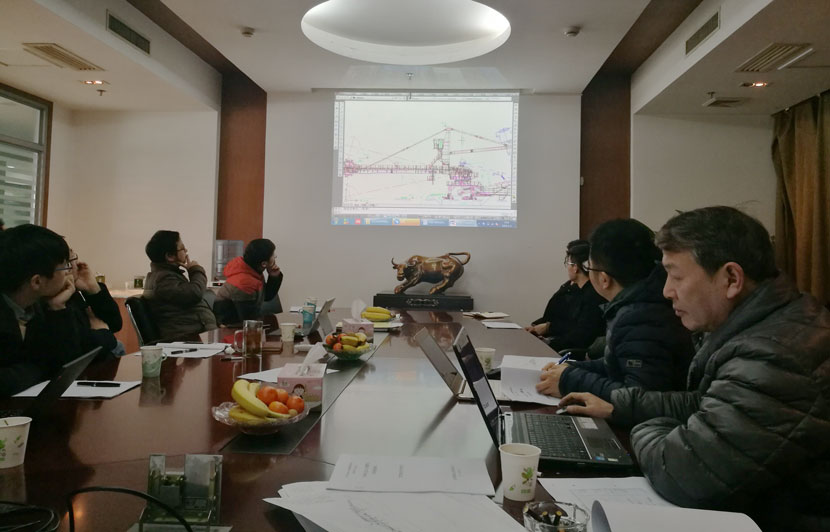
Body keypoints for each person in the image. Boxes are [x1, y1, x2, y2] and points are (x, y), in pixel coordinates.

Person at [558, 207, 830, 531]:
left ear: (731, 279)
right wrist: (619, 405)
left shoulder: (773, 356)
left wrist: (648, 427)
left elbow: (683, 473)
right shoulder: (764, 323)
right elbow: (704, 403)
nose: (666, 291)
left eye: (676, 276)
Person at [537, 219, 694, 400]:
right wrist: (570, 368)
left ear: (604, 279)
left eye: (589, 267)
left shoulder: (641, 317)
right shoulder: (643, 303)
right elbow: (616, 366)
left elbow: (638, 398)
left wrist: (568, 380)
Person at [0, 225, 83, 397]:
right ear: (37, 282)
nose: (69, 272)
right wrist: (40, 369)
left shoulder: (38, 306)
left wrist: (58, 308)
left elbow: (67, 366)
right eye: (64, 267)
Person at [525, 240, 605, 352]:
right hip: (558, 343)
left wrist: (549, 342)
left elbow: (581, 334)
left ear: (575, 267)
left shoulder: (592, 296)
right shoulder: (571, 288)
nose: (567, 267)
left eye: (568, 263)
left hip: (569, 351)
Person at [142, 230, 216, 339]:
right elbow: (195, 293)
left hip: (194, 334)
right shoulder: (164, 280)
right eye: (182, 248)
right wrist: (195, 270)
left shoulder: (166, 275)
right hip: (186, 338)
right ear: (170, 256)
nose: (186, 251)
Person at [66, 247, 125, 357]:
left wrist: (93, 289)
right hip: (89, 362)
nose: (77, 264)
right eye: (72, 259)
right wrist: (103, 332)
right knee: (118, 347)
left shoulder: (74, 292)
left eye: (74, 257)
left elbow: (115, 324)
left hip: (98, 356)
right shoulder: (56, 301)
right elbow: (80, 347)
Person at [214, 238, 283, 325]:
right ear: (264, 264)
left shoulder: (252, 271)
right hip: (229, 328)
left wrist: (274, 276)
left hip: (241, 325)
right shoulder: (244, 282)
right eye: (272, 255)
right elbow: (249, 321)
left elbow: (266, 296)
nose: (275, 256)